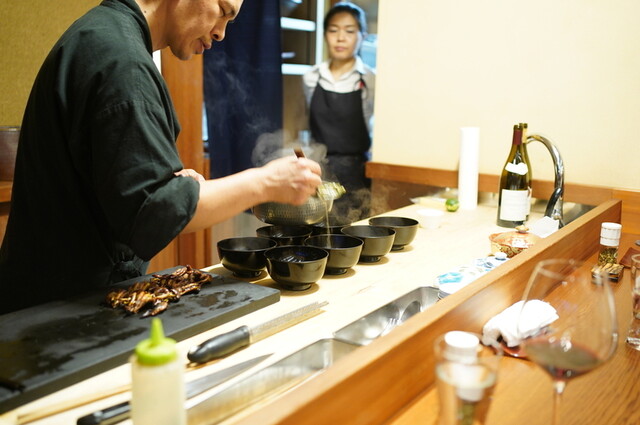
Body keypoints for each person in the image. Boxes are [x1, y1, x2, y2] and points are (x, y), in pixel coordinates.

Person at [0, 0, 322, 315]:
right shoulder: (122, 61)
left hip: (50, 300)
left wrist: (170, 182)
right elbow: (153, 213)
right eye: (223, 12)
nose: (221, 32)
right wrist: (266, 182)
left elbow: (111, 180)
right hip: (57, 313)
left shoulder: (104, 36)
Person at [302, 1, 375, 221]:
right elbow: (305, 123)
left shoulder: (370, 79)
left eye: (350, 31)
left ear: (362, 36)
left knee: (354, 231)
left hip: (357, 172)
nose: (340, 38)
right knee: (317, 229)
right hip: (320, 170)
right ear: (325, 34)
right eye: (333, 30)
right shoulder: (311, 78)